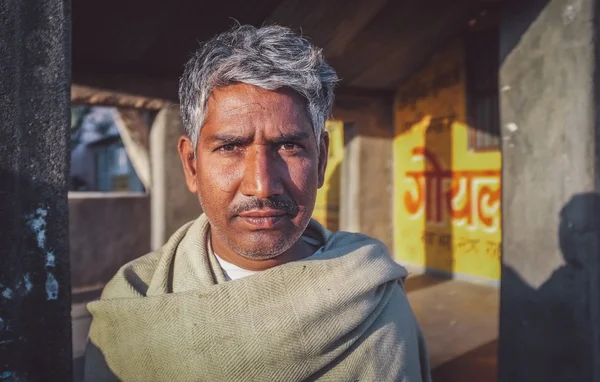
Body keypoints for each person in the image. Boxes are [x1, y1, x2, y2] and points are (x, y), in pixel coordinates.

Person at [84, 24, 431, 382]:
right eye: (230, 147)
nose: (262, 186)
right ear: (191, 165)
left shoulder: (376, 297)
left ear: (322, 160)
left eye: (289, 146)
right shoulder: (131, 306)